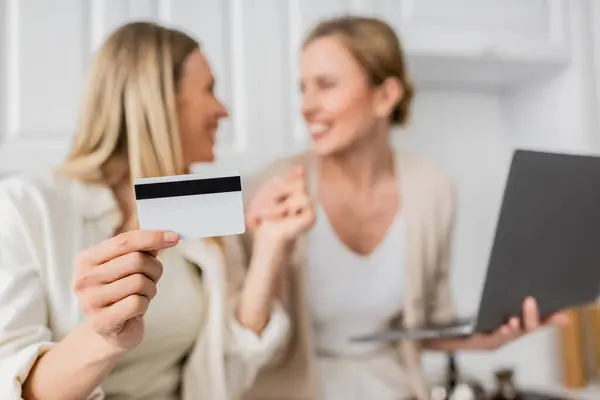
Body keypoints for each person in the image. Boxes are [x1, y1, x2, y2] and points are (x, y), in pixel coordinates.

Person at [234, 16, 569, 400]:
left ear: (386, 96)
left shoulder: (432, 189)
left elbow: (427, 327)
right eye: (303, 88)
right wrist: (272, 251)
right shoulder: (271, 190)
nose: (307, 106)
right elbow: (246, 340)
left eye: (325, 85)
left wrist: (486, 340)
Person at [0, 21, 314, 400]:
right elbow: (11, 386)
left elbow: (228, 368)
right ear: (160, 100)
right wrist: (103, 335)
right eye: (210, 89)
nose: (224, 110)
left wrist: (269, 247)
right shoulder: (26, 206)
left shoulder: (199, 208)